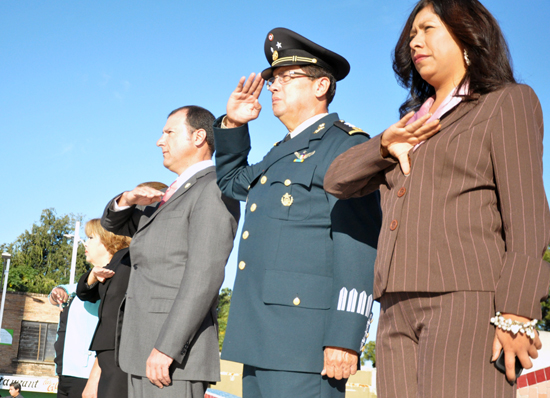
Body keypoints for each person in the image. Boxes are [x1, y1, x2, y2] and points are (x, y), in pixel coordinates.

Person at [324, 0, 550, 397]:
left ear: (467, 36)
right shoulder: (410, 126)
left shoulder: (505, 102)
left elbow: (528, 214)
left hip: (465, 300)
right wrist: (383, 144)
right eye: (412, 35)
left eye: (428, 29)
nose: (415, 41)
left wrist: (517, 310)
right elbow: (337, 181)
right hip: (394, 306)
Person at [213, 28, 382, 398]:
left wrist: (346, 335)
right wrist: (234, 126)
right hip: (259, 337)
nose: (274, 85)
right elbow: (232, 183)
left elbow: (358, 244)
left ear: (321, 86)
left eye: (287, 78)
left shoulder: (345, 145)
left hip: (305, 344)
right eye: (273, 78)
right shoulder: (281, 153)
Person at [101, 105, 240, 398]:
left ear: (199, 137)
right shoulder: (169, 195)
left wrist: (168, 347)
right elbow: (113, 223)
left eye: (168, 133)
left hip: (172, 359)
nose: (159, 141)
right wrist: (127, 199)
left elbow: (205, 276)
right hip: (141, 349)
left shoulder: (213, 188)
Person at [76, 218, 134, 398]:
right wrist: (93, 275)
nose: (86, 243)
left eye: (91, 237)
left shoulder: (128, 260)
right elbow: (83, 292)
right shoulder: (111, 267)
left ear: (108, 239)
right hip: (108, 355)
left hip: (122, 353)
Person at [49, 280, 100, 397]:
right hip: (64, 370)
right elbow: (55, 294)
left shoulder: (104, 288)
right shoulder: (79, 286)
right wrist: (58, 292)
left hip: (85, 373)